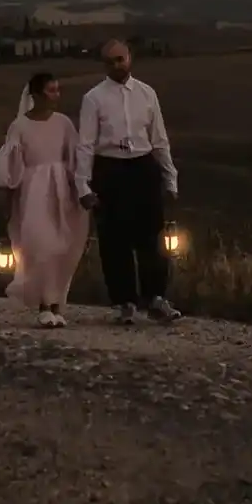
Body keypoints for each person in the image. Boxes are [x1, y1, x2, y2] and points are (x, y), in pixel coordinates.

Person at [75, 39, 181, 325]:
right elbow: (85, 144)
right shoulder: (93, 98)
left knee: (152, 237)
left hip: (143, 167)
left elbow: (159, 139)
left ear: (130, 58)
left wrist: (170, 178)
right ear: (103, 64)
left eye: (120, 59)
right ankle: (125, 302)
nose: (116, 65)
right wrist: (82, 185)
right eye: (110, 61)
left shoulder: (147, 94)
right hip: (110, 170)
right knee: (114, 240)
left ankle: (156, 298)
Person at [0, 70, 89, 328]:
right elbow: (13, 166)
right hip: (33, 193)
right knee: (40, 245)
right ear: (35, 94)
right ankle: (44, 305)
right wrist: (8, 200)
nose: (56, 95)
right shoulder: (20, 126)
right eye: (51, 90)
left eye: (58, 90)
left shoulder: (64, 124)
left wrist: (81, 190)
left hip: (61, 192)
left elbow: (74, 159)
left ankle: (56, 304)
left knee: (61, 247)